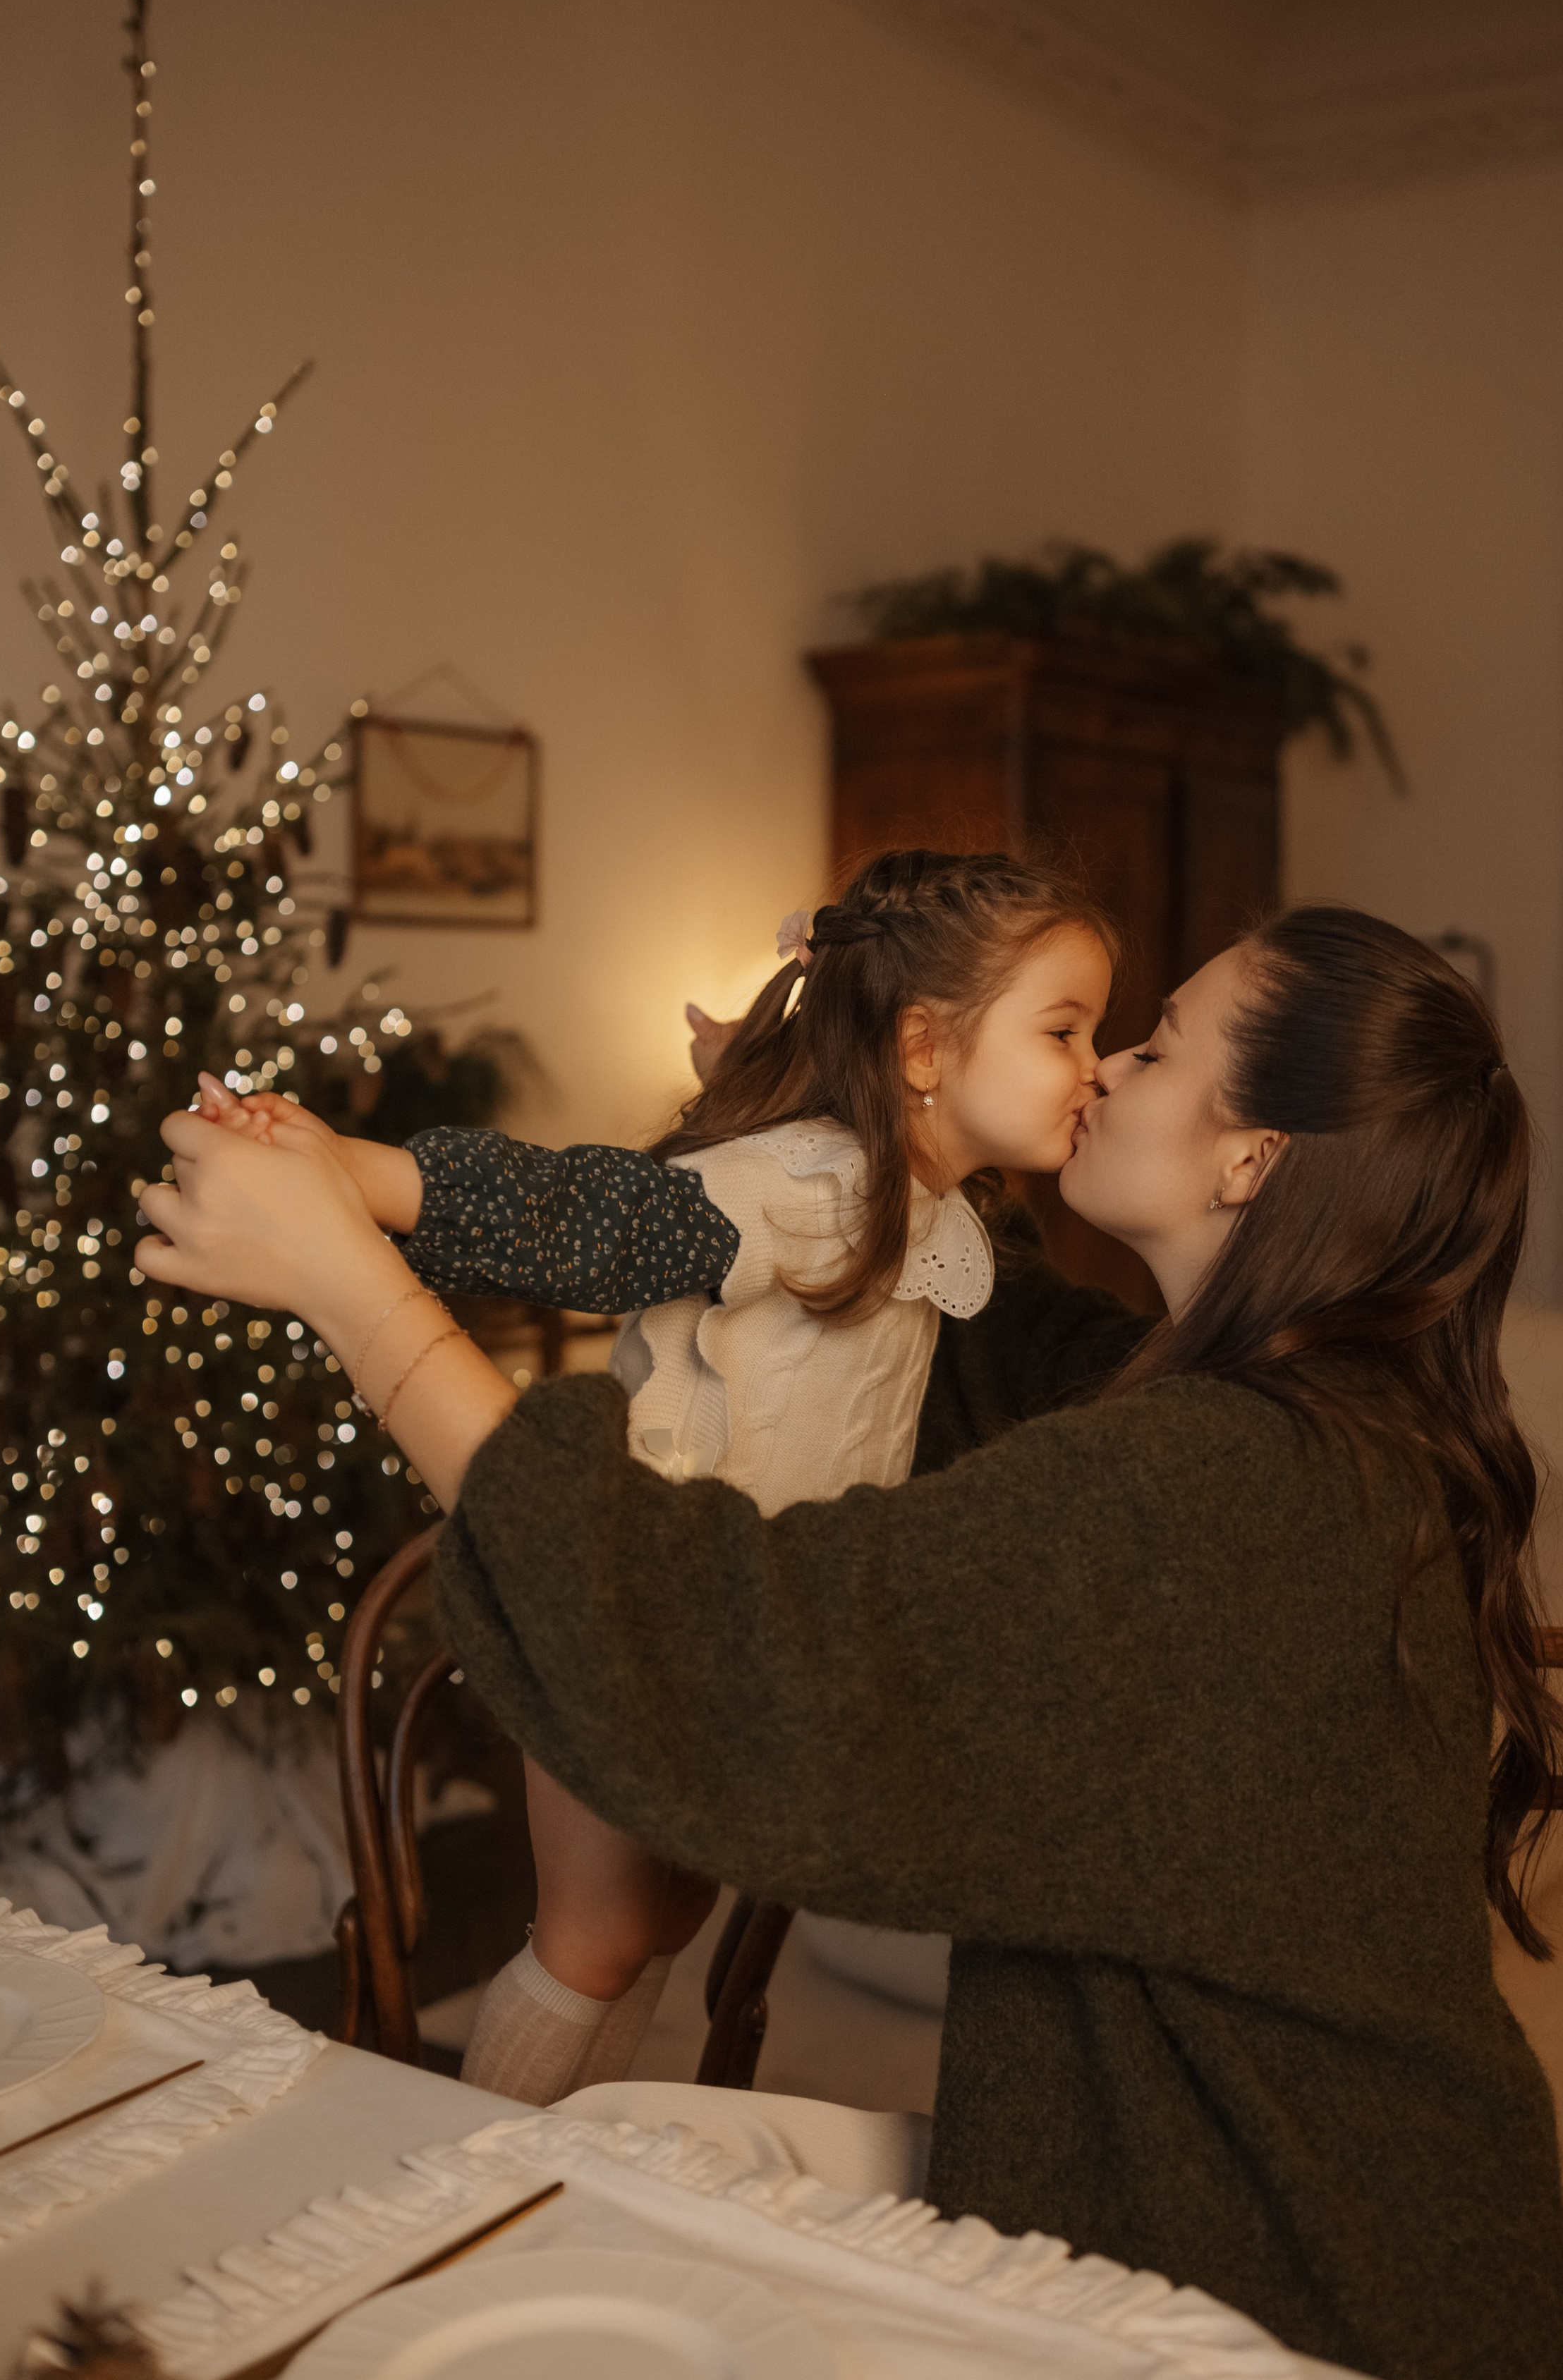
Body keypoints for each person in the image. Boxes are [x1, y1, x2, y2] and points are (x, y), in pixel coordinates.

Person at [139, 904, 1563, 2380]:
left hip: (1309, 2327)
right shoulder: (1274, 1411)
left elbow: (738, 1671)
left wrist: (353, 1291)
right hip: (1141, 2174)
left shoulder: (1225, 1490)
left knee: (581, 2319)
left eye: (1155, 1042)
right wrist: (848, 1113)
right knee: (617, 2156)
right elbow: (944, 1321)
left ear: (1249, 1158)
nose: (1104, 1064)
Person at [196, 849, 1115, 2103]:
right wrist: (356, 1175)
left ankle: (562, 2173)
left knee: (652, 1936)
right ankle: (464, 2183)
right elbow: (595, 1217)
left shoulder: (943, 1215)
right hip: (626, 1610)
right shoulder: (803, 1186)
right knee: (594, 1941)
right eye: (1065, 1030)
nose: (1096, 1068)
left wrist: (760, 1060)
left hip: (740, 1635)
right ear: (921, 1050)